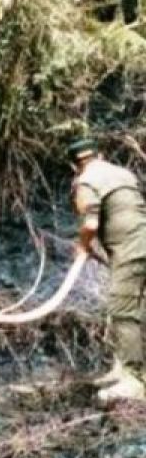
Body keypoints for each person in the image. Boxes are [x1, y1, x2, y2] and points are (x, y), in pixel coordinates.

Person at [68, 138, 146, 402]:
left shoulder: (85, 181)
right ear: (100, 154)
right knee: (130, 306)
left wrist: (82, 247)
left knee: (121, 310)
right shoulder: (123, 173)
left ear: (74, 165)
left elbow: (91, 223)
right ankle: (121, 367)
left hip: (131, 250)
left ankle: (134, 380)